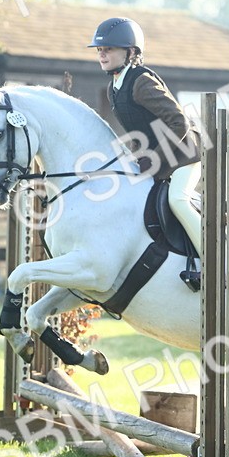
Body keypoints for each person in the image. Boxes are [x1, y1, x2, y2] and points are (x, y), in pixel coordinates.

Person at [89, 17, 203, 275]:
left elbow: (179, 122)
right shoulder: (114, 88)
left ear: (130, 52)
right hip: (160, 161)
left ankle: (214, 263)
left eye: (109, 49)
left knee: (178, 201)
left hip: (185, 156)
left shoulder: (141, 82)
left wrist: (153, 159)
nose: (102, 54)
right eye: (99, 50)